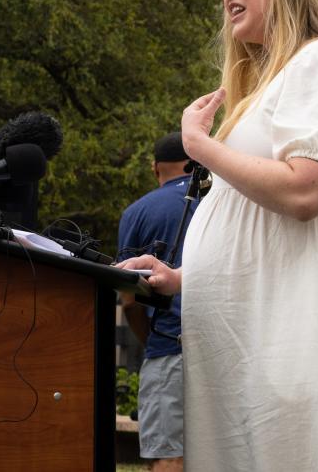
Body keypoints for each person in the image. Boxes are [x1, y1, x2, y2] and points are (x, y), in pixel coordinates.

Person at [119, 0, 318, 471]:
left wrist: (200, 144)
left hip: (297, 330)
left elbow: (305, 190)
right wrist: (184, 280)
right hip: (256, 329)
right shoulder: (278, 79)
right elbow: (266, 235)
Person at [117, 132, 196, 472]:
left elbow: (129, 301)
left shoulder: (137, 213)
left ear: (155, 169)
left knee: (169, 455)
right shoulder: (223, 205)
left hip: (169, 348)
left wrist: (153, 342)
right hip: (232, 350)